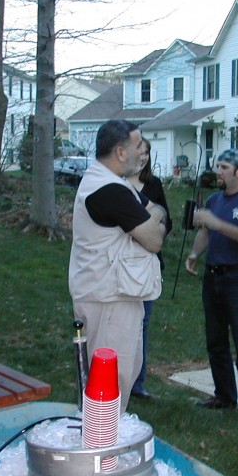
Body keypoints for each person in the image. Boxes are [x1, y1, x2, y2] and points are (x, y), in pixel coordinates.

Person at [68, 119, 168, 413]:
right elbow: (154, 240)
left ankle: (102, 442)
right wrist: (151, 225)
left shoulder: (114, 183)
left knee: (118, 378)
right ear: (121, 152)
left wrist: (150, 221)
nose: (143, 152)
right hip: (108, 301)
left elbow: (159, 211)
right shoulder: (108, 190)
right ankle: (101, 449)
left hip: (115, 296)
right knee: (108, 386)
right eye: (138, 146)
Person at [185, 149, 238, 425]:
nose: (218, 171)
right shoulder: (213, 199)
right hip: (213, 277)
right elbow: (205, 232)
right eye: (217, 166)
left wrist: (218, 223)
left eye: (224, 167)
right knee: (216, 341)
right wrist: (195, 254)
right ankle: (224, 396)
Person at [128, 137, 173, 400]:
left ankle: (138, 382)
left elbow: (167, 219)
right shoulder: (116, 183)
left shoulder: (153, 185)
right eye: (139, 152)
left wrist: (155, 234)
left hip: (147, 263)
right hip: (119, 263)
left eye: (147, 153)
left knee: (142, 323)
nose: (143, 157)